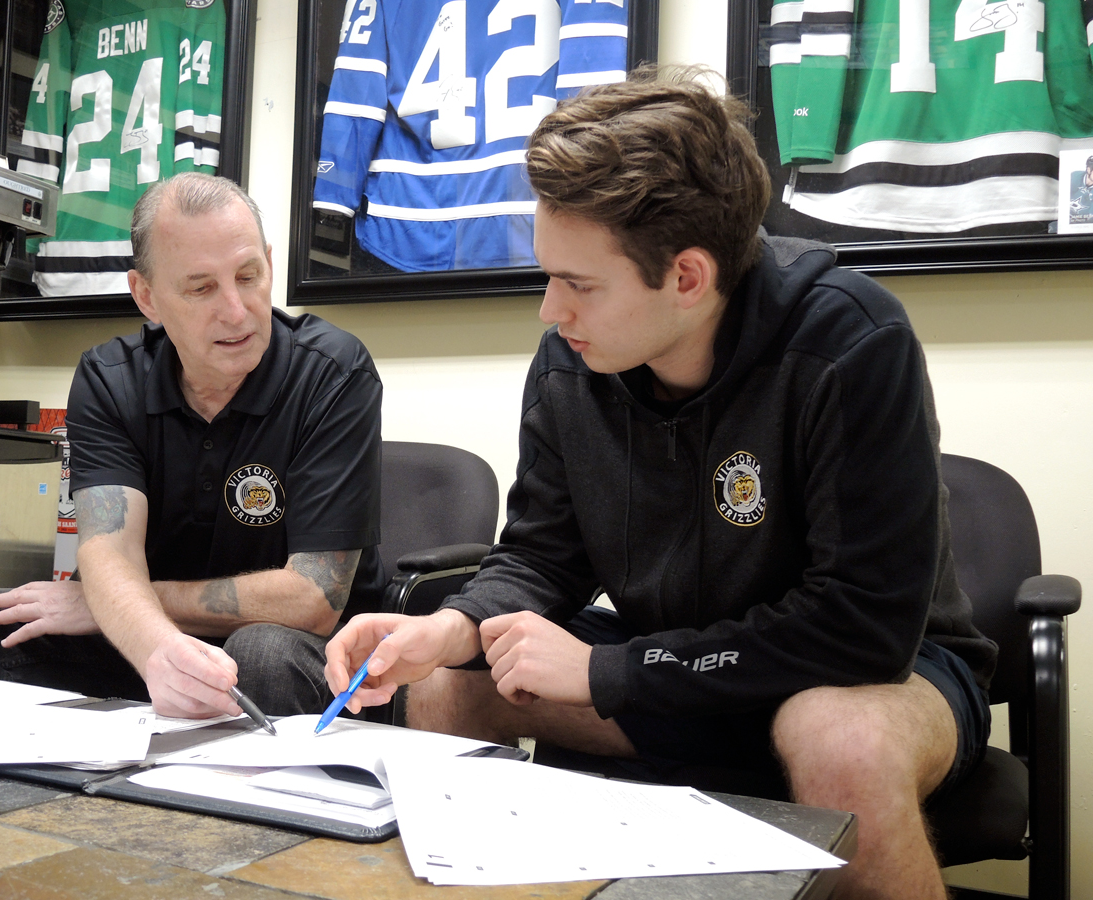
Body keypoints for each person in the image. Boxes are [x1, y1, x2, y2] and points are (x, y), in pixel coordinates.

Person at [324, 67, 997, 900]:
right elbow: (542, 557)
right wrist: (454, 627)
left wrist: (613, 676)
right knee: (443, 688)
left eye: (578, 284)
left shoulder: (852, 341)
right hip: (671, 661)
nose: (549, 311)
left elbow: (858, 628)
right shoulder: (574, 356)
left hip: (876, 672)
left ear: (686, 277)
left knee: (839, 738)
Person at [0, 172, 384, 720]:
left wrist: (106, 605)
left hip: (296, 651)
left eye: (248, 275)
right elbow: (108, 551)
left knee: (261, 652)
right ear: (146, 296)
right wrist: (150, 642)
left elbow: (313, 601)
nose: (236, 311)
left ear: (268, 261)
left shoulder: (334, 372)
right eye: (201, 287)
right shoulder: (110, 378)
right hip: (148, 642)